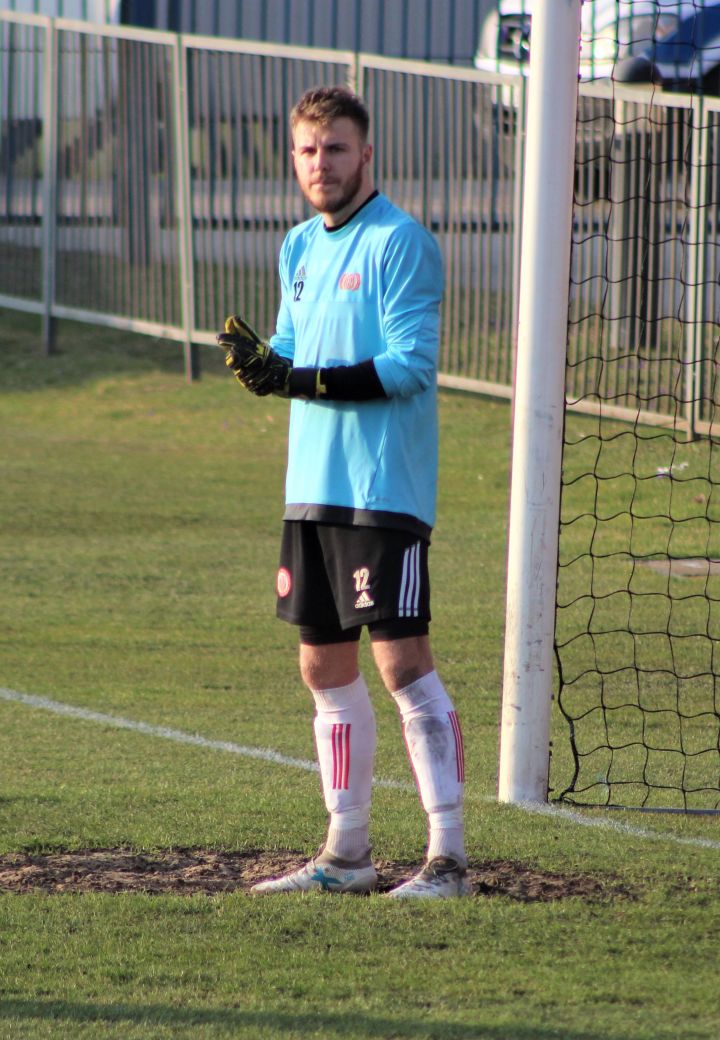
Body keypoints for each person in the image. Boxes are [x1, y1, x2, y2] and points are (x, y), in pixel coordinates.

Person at [216, 86, 469, 899]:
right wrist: (266, 365)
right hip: (311, 490)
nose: (319, 164)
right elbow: (291, 350)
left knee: (403, 665)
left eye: (334, 149)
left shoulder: (401, 242)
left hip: (381, 490)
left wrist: (298, 378)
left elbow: (409, 366)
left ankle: (448, 859)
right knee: (322, 667)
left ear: (366, 155)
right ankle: (346, 854)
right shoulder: (297, 246)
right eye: (307, 151)